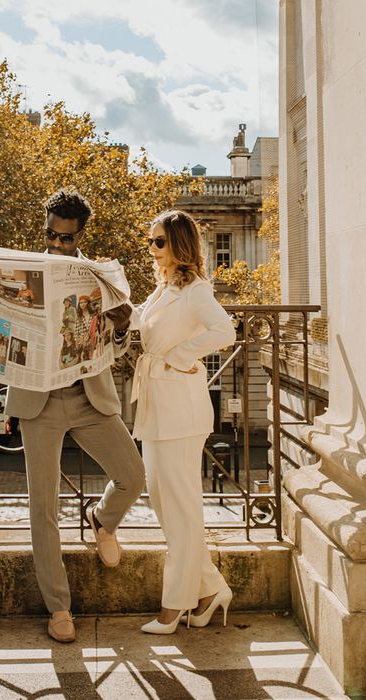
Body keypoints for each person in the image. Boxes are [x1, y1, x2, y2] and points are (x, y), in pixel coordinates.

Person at [0, 188, 144, 644]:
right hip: (37, 405)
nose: (57, 244)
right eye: (50, 235)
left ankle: (102, 520)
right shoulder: (26, 272)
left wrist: (121, 326)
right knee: (43, 509)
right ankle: (59, 608)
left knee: (133, 475)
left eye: (66, 238)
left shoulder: (98, 278)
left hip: (90, 399)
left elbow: (118, 347)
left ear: (80, 234)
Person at [131, 209, 237, 635]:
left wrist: (180, 356)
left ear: (178, 244)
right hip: (156, 406)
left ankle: (174, 607)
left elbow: (224, 331)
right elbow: (140, 323)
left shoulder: (195, 290)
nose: (152, 250)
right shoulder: (160, 291)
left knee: (180, 510)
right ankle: (212, 589)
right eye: (151, 242)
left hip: (180, 409)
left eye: (159, 242)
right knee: (165, 504)